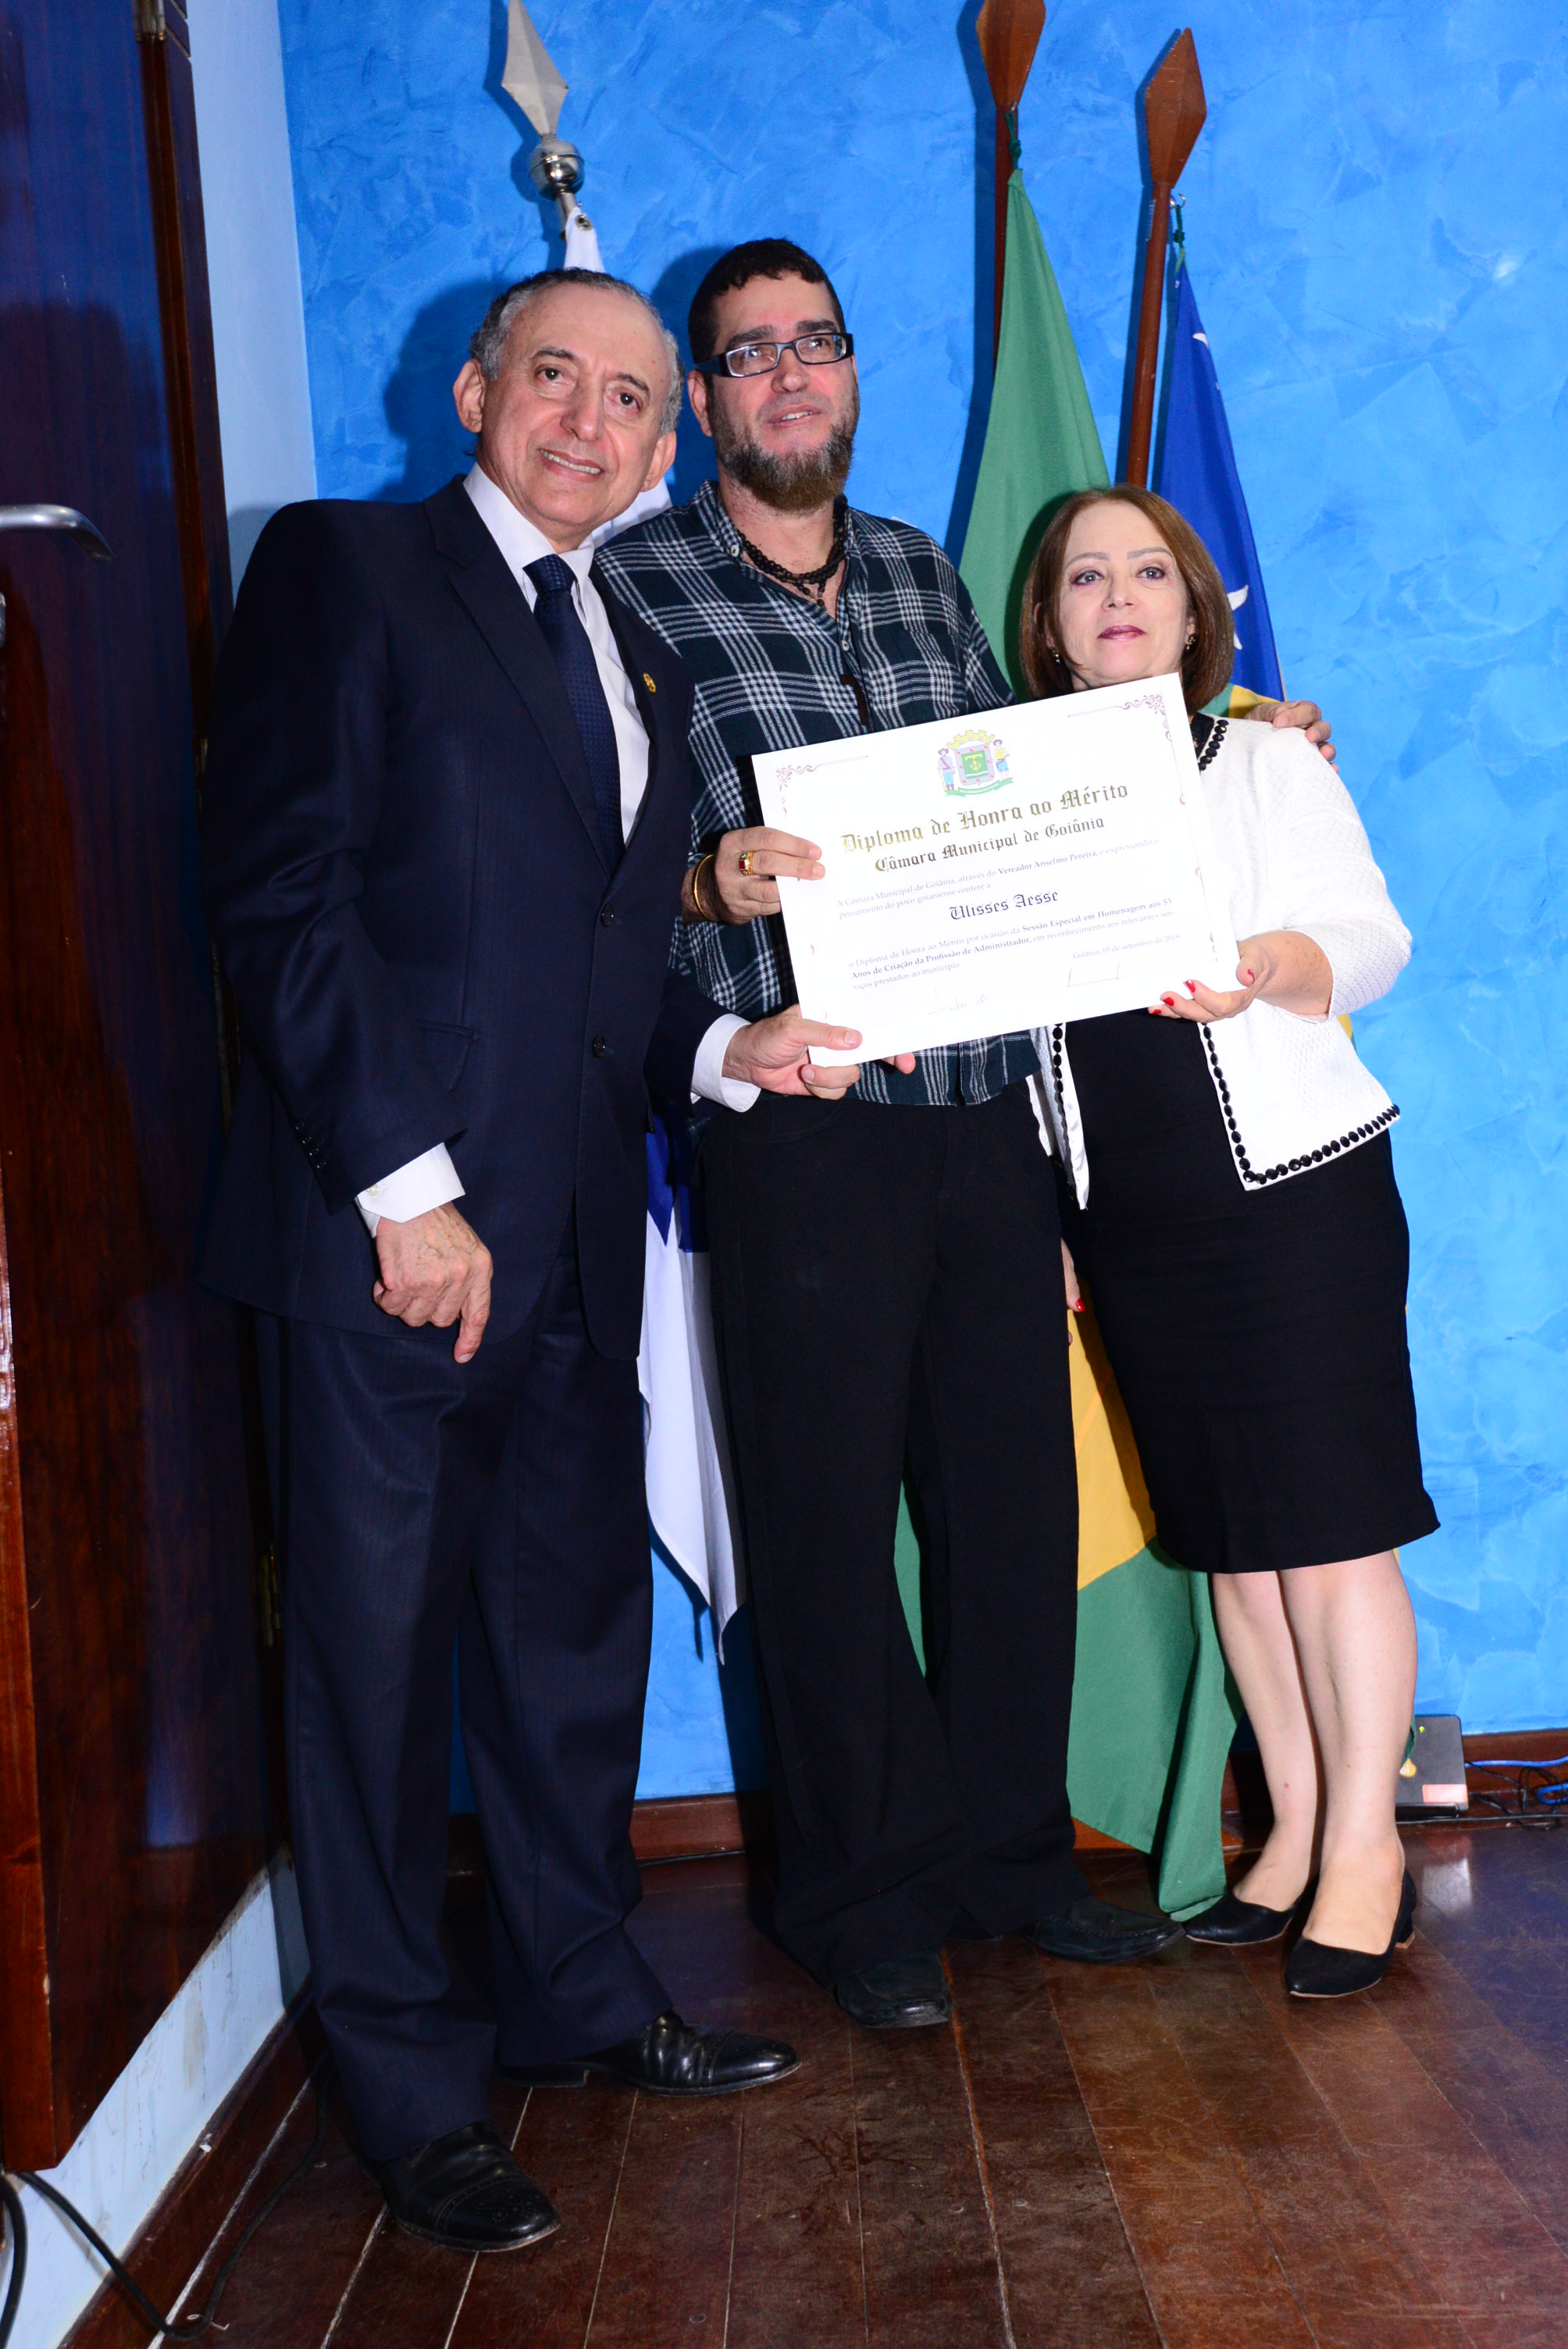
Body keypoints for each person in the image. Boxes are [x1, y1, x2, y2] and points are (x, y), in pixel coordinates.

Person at [199, 268, 875, 2255]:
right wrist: (400, 1189)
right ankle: (408, 2091)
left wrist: (724, 1052)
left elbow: (608, 964)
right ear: (475, 391)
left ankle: (578, 1993)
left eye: (630, 398)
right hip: (389, 1247)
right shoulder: (343, 570)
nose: (590, 420)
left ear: (666, 443)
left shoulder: (635, 649)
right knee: (372, 1675)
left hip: (579, 1243)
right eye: (553, 378)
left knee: (565, 1651)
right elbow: (284, 893)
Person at [598, 239, 1335, 2026]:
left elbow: (1057, 785)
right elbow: (583, 851)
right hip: (802, 1118)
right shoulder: (629, 590)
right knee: (822, 1525)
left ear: (850, 373)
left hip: (984, 1111)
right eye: (749, 352)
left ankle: (1014, 1859)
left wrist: (1238, 726)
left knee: (1007, 1503)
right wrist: (703, 883)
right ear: (702, 395)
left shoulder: (923, 575)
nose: (789, 375)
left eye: (816, 343)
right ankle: (857, 1896)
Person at [1021, 485, 1436, 1999]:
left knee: (1329, 1534)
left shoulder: (1263, 758)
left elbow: (1373, 941)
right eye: (1086, 576)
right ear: (1047, 622)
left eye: (1149, 571)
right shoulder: (1021, 799)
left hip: (1293, 1199)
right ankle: (1295, 1830)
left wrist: (1259, 964)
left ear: (1195, 611)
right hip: (1132, 1227)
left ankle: (1368, 1854)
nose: (1119, 596)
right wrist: (1056, 1219)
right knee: (1235, 1554)